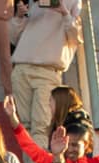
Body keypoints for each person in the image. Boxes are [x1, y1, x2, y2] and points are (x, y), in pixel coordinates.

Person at [5, 0, 81, 151]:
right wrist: (19, 17)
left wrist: (64, 13)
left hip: (48, 70)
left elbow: (76, 37)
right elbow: (14, 38)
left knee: (41, 126)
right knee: (24, 127)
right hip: (21, 67)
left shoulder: (73, 2)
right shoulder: (35, 3)